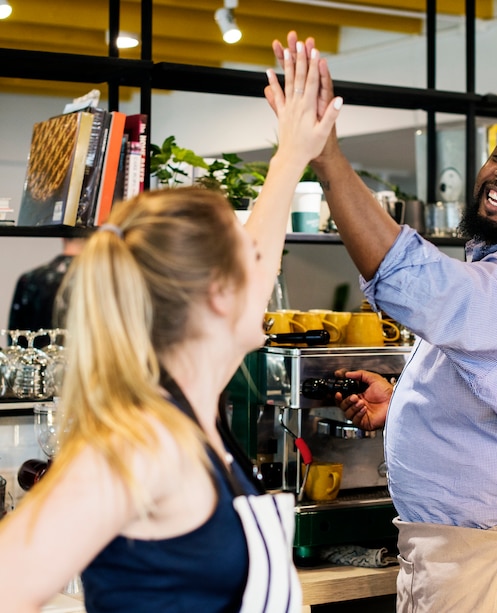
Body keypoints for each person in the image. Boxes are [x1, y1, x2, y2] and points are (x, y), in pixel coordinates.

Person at [0, 43, 342, 612]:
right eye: (252, 267)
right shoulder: (143, 441)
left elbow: (260, 248)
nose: (268, 281)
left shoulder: (195, 403)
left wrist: (293, 154)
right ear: (215, 295)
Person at [267, 32, 497, 613]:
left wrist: (327, 159)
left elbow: (427, 291)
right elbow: (493, 392)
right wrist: (399, 405)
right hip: (461, 543)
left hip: (485, 557)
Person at [8, 237, 85, 346]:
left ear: (62, 237)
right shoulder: (100, 281)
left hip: (35, 360)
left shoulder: (30, 279)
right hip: (85, 359)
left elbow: (15, 338)